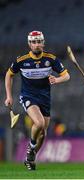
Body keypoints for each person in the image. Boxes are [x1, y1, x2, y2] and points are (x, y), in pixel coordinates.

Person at [4, 31, 70, 170]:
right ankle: (31, 147)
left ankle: (30, 157)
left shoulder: (51, 59)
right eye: (33, 42)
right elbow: (9, 75)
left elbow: (66, 76)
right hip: (28, 96)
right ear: (29, 44)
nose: (36, 44)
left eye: (39, 41)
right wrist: (9, 96)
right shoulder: (21, 60)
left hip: (45, 98)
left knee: (43, 133)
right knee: (38, 123)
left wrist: (56, 79)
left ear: (43, 43)